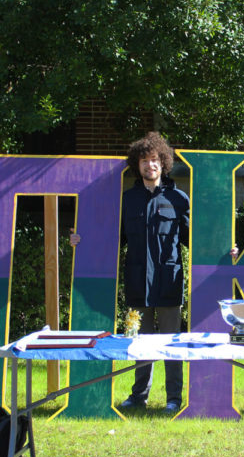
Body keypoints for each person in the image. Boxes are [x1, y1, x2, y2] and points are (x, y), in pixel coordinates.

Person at [78, 132, 189, 413]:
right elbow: (112, 239)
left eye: (154, 160)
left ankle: (174, 397)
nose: (149, 165)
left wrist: (228, 250)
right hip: (137, 282)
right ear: (136, 165)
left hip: (169, 283)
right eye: (143, 161)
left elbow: (195, 238)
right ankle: (139, 395)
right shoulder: (126, 200)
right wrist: (82, 240)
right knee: (139, 343)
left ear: (163, 163)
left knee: (171, 343)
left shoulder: (179, 199)